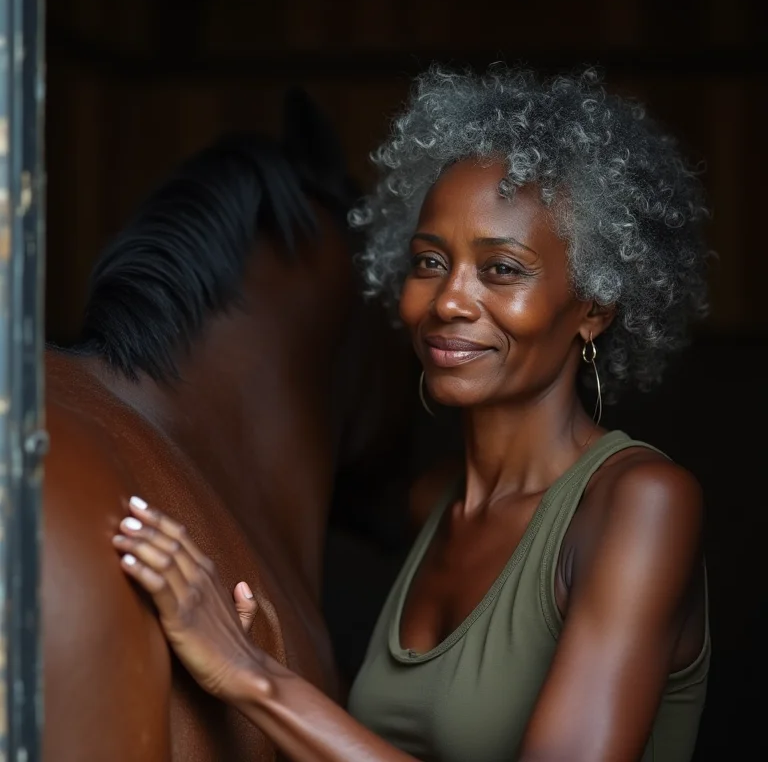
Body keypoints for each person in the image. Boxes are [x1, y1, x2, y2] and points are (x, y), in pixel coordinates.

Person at [112, 65, 711, 762]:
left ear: (594, 309)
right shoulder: (433, 505)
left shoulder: (644, 504)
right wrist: (262, 655)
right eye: (429, 261)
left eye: (502, 269)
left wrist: (257, 681)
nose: (448, 301)